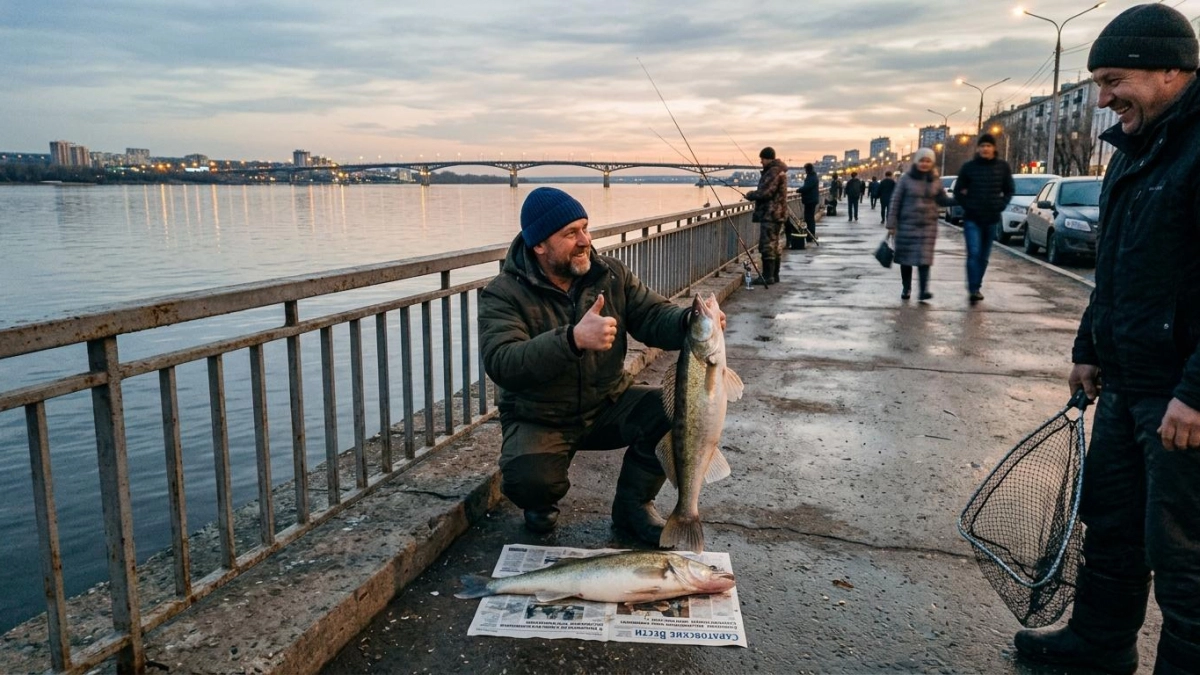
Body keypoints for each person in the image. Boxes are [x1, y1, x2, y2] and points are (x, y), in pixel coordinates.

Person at [1011, 6, 1200, 674]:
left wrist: (1195, 392)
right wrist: (1088, 347)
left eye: (1115, 78)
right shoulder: (1135, 149)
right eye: (1097, 81)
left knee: (1187, 562)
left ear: (1172, 68)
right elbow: (1114, 269)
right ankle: (1097, 647)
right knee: (1112, 531)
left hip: (1181, 402)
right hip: (1124, 384)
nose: (1103, 97)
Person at [477, 187, 723, 545]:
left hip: (607, 403)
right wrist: (571, 340)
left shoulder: (609, 274)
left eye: (585, 228)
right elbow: (502, 361)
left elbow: (652, 314)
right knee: (529, 480)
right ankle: (540, 504)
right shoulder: (503, 293)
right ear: (539, 245)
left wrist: (688, 322)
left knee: (669, 412)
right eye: (571, 233)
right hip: (540, 415)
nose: (585, 241)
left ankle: (632, 508)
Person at [953, 134, 1014, 305]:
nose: (985, 149)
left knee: (984, 257)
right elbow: (958, 191)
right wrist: (968, 205)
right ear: (978, 148)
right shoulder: (969, 167)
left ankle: (977, 286)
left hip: (991, 218)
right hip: (972, 218)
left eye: (988, 145)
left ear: (994, 148)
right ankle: (973, 289)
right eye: (983, 146)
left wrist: (1000, 205)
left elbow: (1009, 190)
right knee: (973, 253)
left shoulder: (1002, 167)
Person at [885, 148, 953, 302]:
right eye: (922, 160)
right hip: (907, 225)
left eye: (928, 161)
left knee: (924, 260)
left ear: (932, 163)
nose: (924, 164)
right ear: (917, 161)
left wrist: (960, 199)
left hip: (927, 227)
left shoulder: (935, 179)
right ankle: (906, 287)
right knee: (906, 260)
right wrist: (891, 223)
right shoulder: (906, 179)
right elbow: (896, 201)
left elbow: (942, 199)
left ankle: (923, 291)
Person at [744, 147, 789, 284]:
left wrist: (751, 195)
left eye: (762, 159)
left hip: (771, 214)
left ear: (768, 158)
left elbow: (766, 192)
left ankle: (768, 276)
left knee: (767, 245)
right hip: (777, 213)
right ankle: (774, 275)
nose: (761, 162)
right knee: (774, 245)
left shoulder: (773, 172)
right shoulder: (778, 171)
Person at [798, 163, 821, 241]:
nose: (805, 171)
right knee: (810, 218)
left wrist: (799, 190)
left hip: (810, 200)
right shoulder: (813, 176)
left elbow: (807, 187)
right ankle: (810, 235)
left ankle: (810, 235)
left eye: (805, 169)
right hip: (812, 199)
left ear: (807, 169)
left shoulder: (811, 177)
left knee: (809, 218)